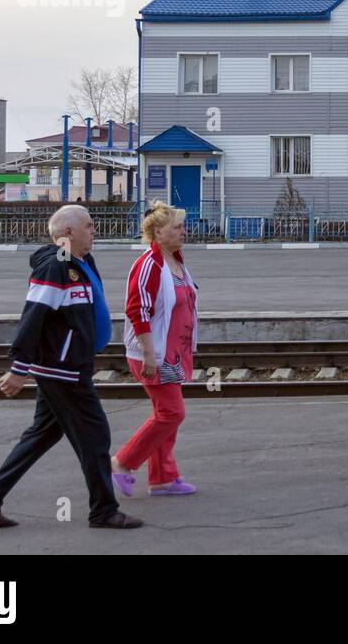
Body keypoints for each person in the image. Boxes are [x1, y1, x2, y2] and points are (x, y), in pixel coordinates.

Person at [0, 204, 142, 529]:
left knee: (40, 436)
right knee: (95, 436)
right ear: (67, 232)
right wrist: (19, 366)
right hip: (63, 370)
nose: (94, 230)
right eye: (88, 225)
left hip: (69, 365)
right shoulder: (55, 267)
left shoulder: (81, 262)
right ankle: (103, 511)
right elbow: (34, 316)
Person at [111, 202, 199, 498]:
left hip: (172, 352)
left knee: (165, 414)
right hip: (153, 353)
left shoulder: (175, 259)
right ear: (158, 232)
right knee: (172, 413)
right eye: (177, 227)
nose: (183, 232)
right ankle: (121, 463)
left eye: (182, 226)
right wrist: (149, 354)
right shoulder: (150, 263)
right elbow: (138, 310)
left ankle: (163, 477)